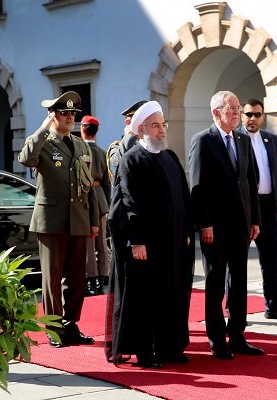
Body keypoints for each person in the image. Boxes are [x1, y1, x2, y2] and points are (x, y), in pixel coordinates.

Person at [106, 101, 194, 369]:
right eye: (156, 126)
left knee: (172, 294)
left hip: (173, 242)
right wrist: (137, 240)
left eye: (163, 125)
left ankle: (170, 347)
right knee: (145, 298)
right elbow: (128, 202)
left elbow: (184, 197)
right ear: (141, 129)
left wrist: (187, 230)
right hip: (146, 244)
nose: (162, 130)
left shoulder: (170, 157)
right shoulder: (131, 160)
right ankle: (144, 352)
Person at [18, 91, 99, 348]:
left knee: (77, 278)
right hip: (51, 219)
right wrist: (43, 128)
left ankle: (71, 325)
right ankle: (54, 329)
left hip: (77, 219)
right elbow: (26, 157)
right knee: (52, 278)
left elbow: (88, 185)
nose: (70, 118)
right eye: (64, 113)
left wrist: (94, 220)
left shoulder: (80, 144)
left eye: (73, 114)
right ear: (53, 116)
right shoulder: (44, 142)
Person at [188, 90, 262, 360]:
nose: (237, 113)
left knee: (239, 281)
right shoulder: (202, 141)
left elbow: (249, 181)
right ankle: (217, 338)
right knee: (215, 282)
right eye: (231, 108)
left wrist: (255, 219)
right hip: (215, 228)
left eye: (237, 108)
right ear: (215, 112)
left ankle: (238, 334)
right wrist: (204, 223)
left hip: (241, 224)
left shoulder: (243, 139)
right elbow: (197, 187)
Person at [240, 98, 277, 322]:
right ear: (242, 116)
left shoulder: (271, 139)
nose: (252, 118)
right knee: (237, 261)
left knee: (271, 258)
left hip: (268, 205)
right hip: (245, 209)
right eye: (248, 114)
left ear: (262, 116)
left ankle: (274, 306)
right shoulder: (236, 139)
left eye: (257, 114)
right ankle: (236, 311)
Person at [80, 115, 111, 296]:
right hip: (100, 198)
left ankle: (91, 279)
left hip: (85, 198)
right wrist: (105, 201)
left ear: (82, 129)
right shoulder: (102, 152)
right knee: (101, 240)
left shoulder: (79, 150)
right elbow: (107, 182)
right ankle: (102, 277)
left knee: (88, 243)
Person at [106, 100, 147, 184]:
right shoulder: (116, 147)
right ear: (128, 123)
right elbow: (118, 162)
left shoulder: (151, 145)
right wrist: (130, 135)